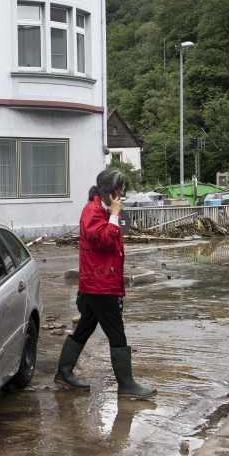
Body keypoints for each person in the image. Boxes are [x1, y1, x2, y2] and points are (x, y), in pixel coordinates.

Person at [53, 168, 157, 398]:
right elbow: (105, 240)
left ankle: (64, 372)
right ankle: (126, 384)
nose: (123, 192)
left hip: (101, 281)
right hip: (100, 284)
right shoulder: (93, 211)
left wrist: (112, 214)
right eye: (120, 188)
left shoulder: (103, 209)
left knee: (84, 328)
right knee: (116, 333)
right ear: (110, 191)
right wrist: (114, 215)